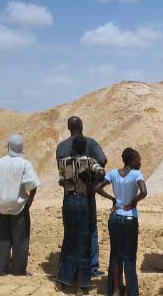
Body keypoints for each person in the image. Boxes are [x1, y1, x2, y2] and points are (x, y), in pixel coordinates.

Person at [56, 116, 107, 277]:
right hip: (87, 195)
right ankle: (91, 268)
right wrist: (93, 181)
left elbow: (62, 174)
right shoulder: (90, 143)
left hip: (69, 196)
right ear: (82, 126)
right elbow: (103, 161)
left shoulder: (61, 147)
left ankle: (67, 269)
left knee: (70, 231)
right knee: (90, 229)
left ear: (68, 128)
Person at [0, 134, 40, 276]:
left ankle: (1, 269)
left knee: (3, 239)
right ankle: (19, 270)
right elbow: (33, 185)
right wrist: (29, 202)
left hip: (1, 207)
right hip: (19, 207)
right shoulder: (25, 164)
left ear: (8, 146)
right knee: (20, 240)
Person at [94, 148, 147, 296]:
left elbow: (97, 188)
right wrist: (134, 201)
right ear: (132, 160)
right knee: (129, 257)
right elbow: (143, 192)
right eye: (138, 159)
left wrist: (113, 199)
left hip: (115, 218)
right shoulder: (136, 174)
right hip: (129, 218)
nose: (140, 162)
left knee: (116, 255)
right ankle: (132, 292)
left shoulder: (113, 173)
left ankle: (116, 290)